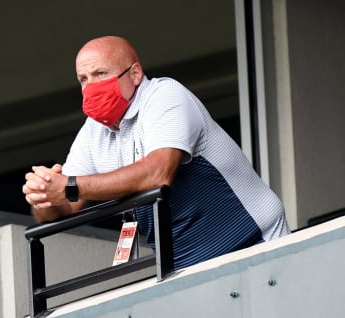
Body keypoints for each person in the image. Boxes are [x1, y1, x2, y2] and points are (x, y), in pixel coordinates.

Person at [23, 35, 290, 270]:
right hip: (187, 268)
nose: (91, 86)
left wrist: (68, 186)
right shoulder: (92, 132)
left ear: (135, 74)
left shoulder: (164, 95)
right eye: (83, 79)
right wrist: (44, 195)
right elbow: (67, 205)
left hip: (255, 245)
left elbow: (157, 172)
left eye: (101, 74)